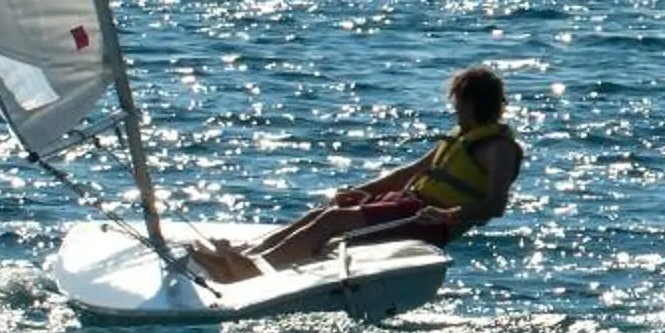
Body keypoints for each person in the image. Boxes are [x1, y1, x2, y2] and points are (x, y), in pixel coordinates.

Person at [190, 66, 525, 285]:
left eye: (459, 104)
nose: (455, 110)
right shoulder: (462, 136)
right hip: (407, 204)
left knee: (331, 224)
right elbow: (410, 172)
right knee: (328, 211)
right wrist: (358, 190)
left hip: (430, 221)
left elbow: (495, 205)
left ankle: (247, 271)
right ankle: (247, 254)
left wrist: (449, 213)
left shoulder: (498, 148)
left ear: (473, 104)